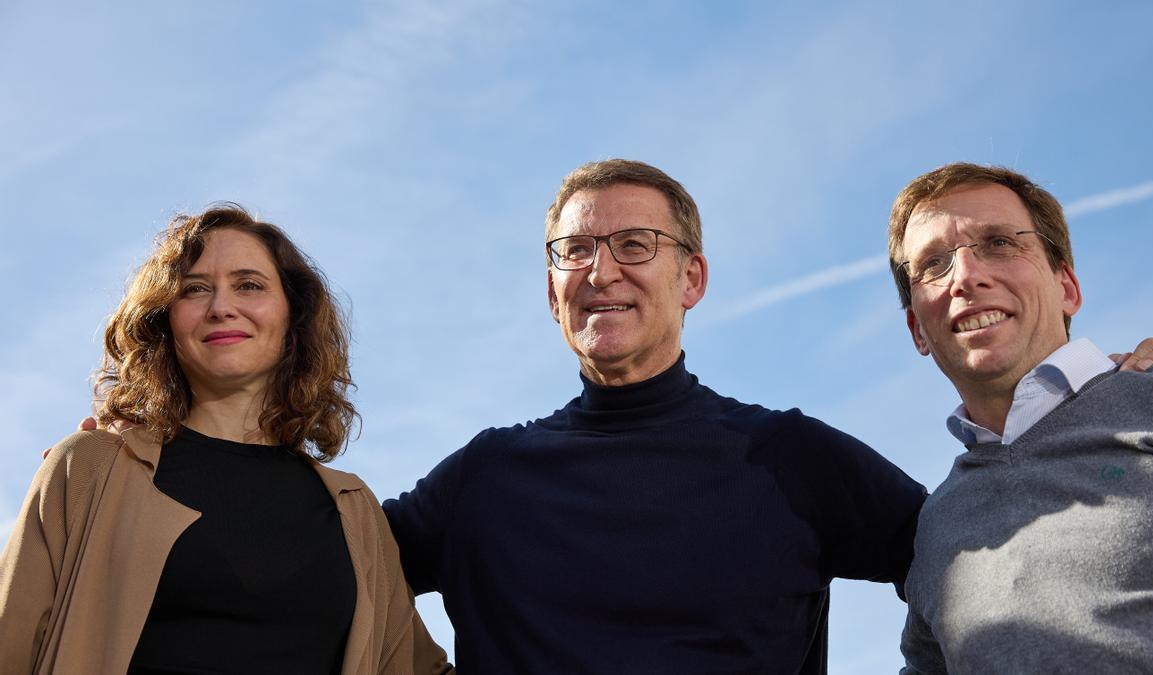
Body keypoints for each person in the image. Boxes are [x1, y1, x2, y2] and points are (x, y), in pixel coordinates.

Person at [385, 159, 930, 674]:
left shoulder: (791, 456)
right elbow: (328, 563)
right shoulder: (484, 479)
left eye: (633, 245)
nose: (601, 272)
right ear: (554, 295)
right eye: (575, 250)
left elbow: (966, 557)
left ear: (691, 279)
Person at [0, 205, 452, 674]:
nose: (221, 307)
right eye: (195, 289)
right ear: (165, 320)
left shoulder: (354, 511)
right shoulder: (90, 469)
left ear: (292, 317)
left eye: (249, 285)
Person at [887, 163, 1153, 673]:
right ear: (917, 330)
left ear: (1067, 288)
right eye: (934, 265)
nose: (966, 277)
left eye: (1000, 243)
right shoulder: (938, 526)